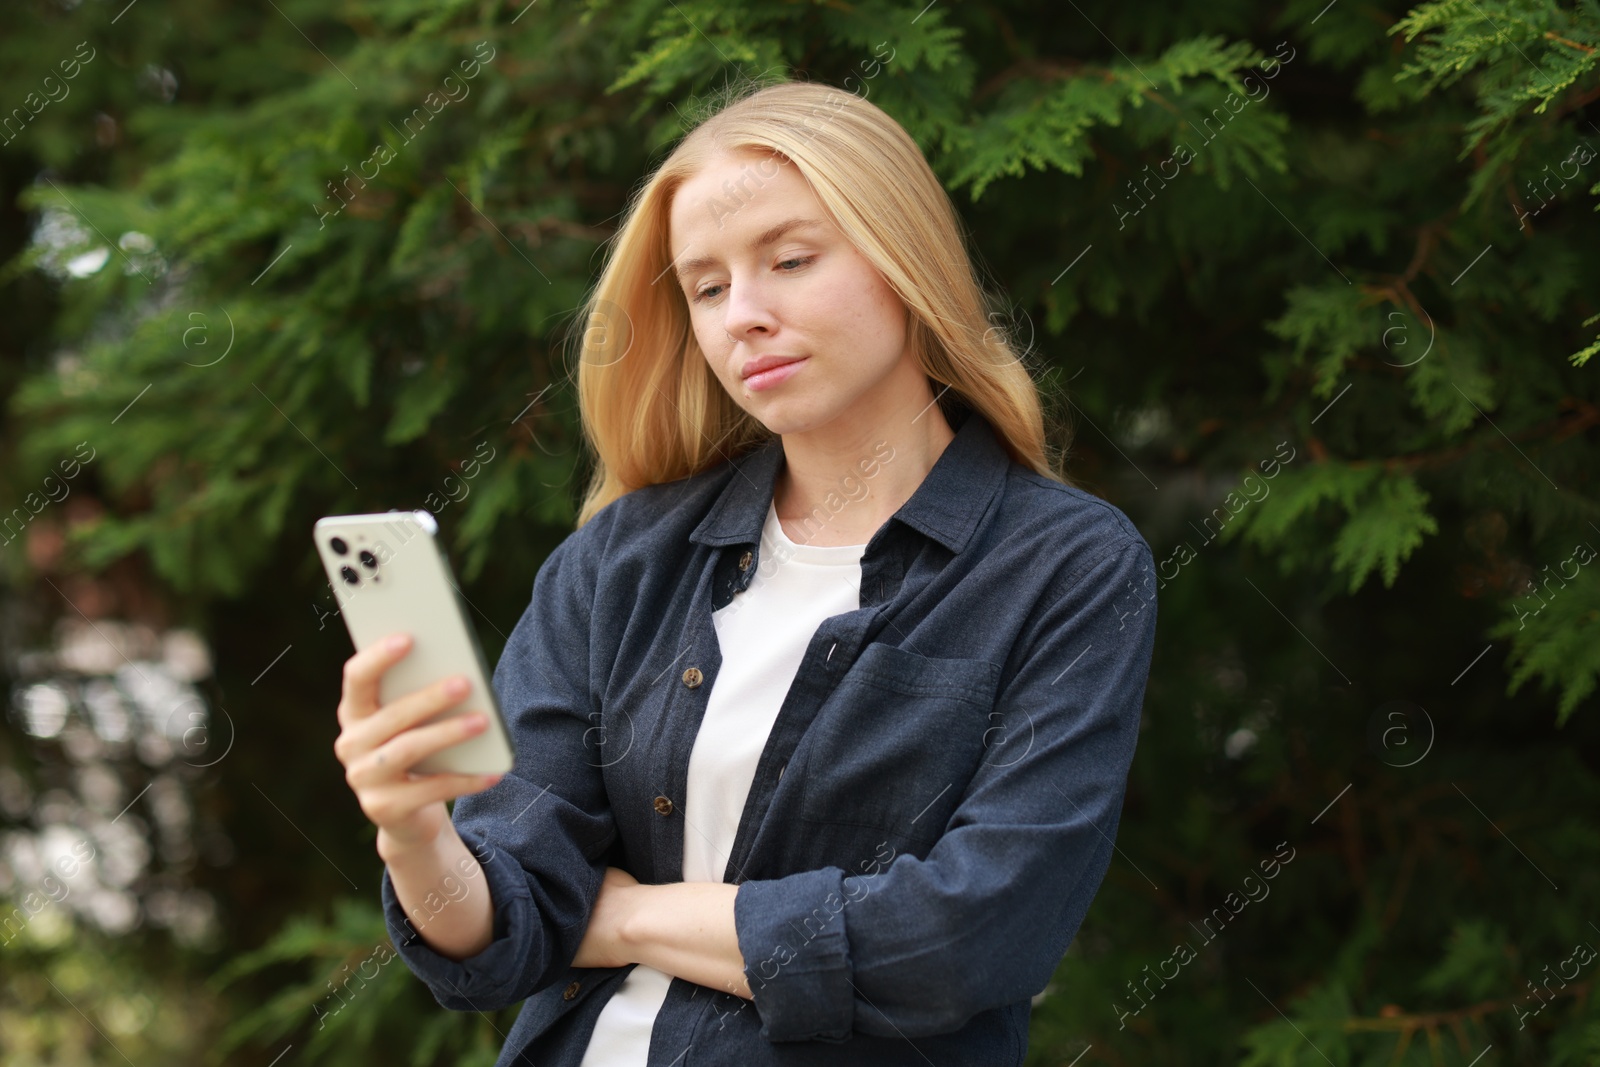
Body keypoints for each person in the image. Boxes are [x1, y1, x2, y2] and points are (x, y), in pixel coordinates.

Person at [332, 76, 1158, 1066]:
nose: (743, 316)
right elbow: (499, 933)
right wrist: (415, 833)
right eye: (707, 286)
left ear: (906, 261)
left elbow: (969, 937)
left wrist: (626, 919)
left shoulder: (1064, 565)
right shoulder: (617, 560)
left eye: (791, 260)